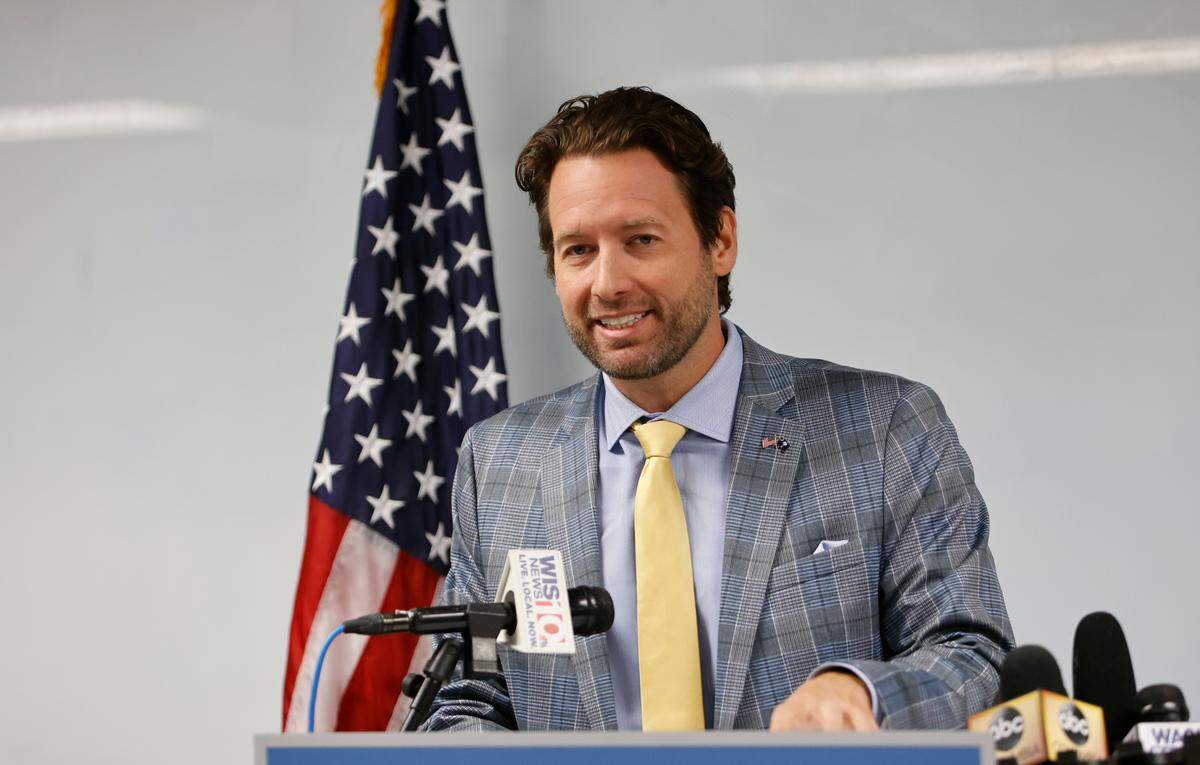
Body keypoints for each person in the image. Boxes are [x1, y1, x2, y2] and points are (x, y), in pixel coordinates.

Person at [422, 86, 1013, 732]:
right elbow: (468, 699)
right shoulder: (500, 462)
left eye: (641, 239)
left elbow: (975, 656)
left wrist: (861, 690)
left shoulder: (887, 426)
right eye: (578, 250)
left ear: (721, 240)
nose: (608, 282)